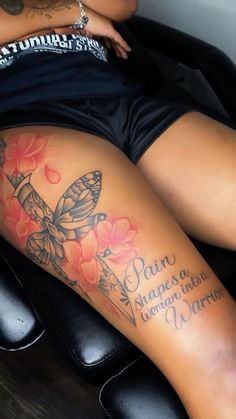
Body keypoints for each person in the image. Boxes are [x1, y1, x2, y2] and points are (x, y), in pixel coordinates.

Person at [0, 1, 236, 417]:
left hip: (124, 106)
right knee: (222, 359)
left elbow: (120, 5)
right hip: (26, 124)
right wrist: (73, 14)